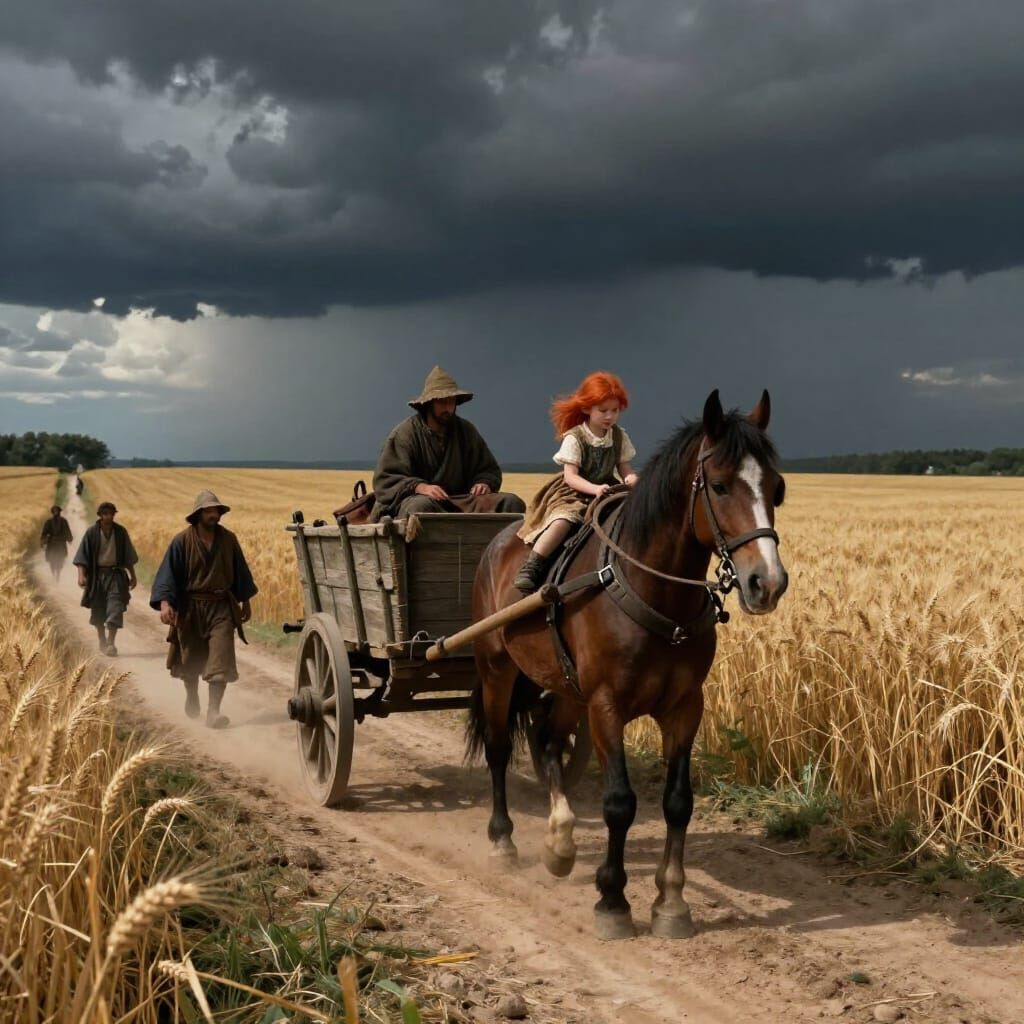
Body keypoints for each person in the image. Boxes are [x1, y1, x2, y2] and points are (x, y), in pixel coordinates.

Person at [513, 371, 639, 593]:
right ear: (586, 409)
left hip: (607, 490)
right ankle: (533, 565)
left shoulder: (619, 436)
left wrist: (632, 480)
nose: (610, 416)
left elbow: (625, 469)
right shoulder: (576, 437)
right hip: (574, 492)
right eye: (603, 411)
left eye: (615, 410)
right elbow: (571, 476)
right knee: (564, 520)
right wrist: (595, 488)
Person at [150, 491, 258, 729]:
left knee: (221, 658)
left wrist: (245, 601)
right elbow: (168, 575)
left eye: (216, 511)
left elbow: (240, 571)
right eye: (209, 511)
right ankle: (192, 694)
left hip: (221, 607)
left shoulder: (229, 539)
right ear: (198, 514)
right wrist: (166, 604)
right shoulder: (181, 541)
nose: (214, 515)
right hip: (190, 608)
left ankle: (214, 712)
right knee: (190, 661)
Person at [372, 365, 526, 518]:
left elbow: (488, 469)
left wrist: (483, 483)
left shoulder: (466, 431)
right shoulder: (405, 434)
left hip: (460, 502)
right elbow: (385, 479)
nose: (448, 408)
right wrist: (420, 487)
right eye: (442, 402)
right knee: (421, 508)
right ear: (428, 403)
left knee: (511, 502)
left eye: (451, 401)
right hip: (421, 502)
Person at [73, 501, 139, 654]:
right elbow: (82, 556)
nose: (109, 516)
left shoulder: (121, 532)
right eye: (105, 514)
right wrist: (81, 575)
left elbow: (128, 557)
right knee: (98, 609)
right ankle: (102, 639)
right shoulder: (91, 533)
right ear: (100, 515)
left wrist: (133, 575)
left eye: (111, 513)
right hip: (97, 576)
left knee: (115, 608)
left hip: (116, 575)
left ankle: (111, 643)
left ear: (114, 514)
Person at [40, 504, 73, 582]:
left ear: (59, 512)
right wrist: (43, 540)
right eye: (54, 511)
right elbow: (44, 532)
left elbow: (67, 530)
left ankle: (58, 574)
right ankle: (53, 574)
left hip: (61, 543)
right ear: (52, 512)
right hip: (51, 544)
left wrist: (69, 538)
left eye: (57, 511)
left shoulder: (64, 521)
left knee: (60, 560)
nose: (55, 513)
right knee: (51, 560)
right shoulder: (48, 522)